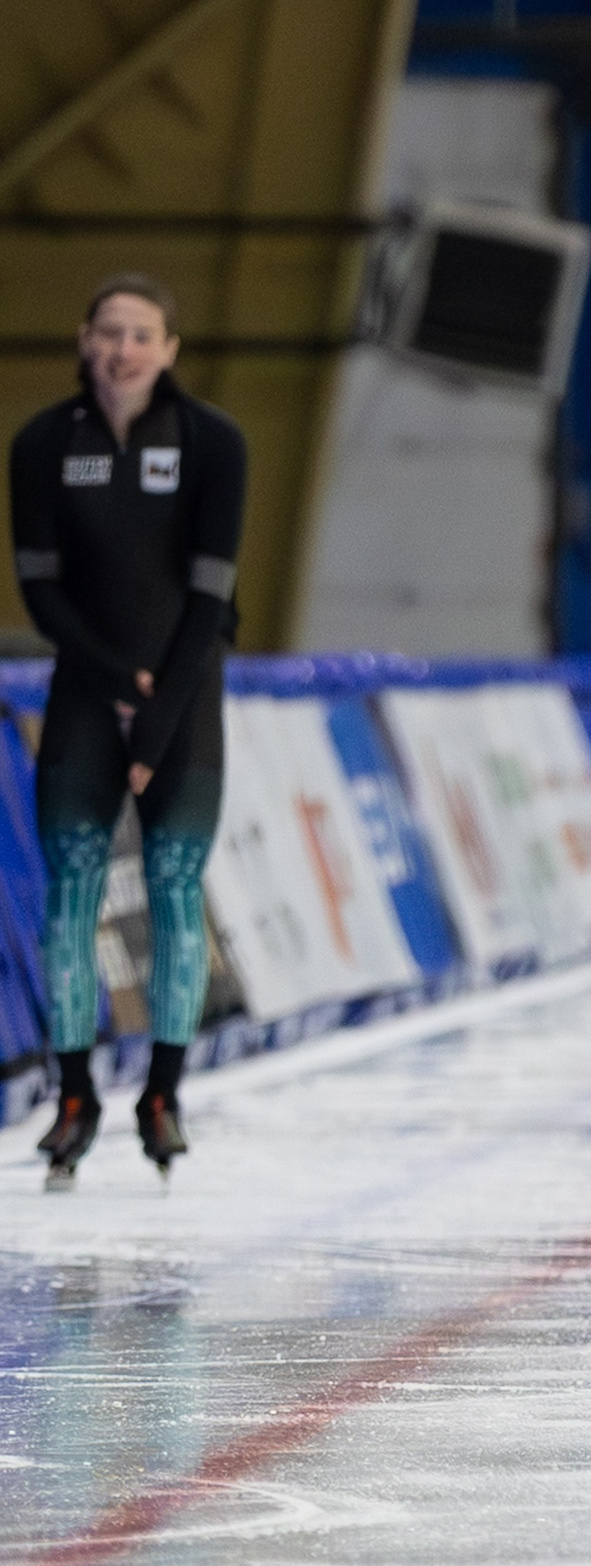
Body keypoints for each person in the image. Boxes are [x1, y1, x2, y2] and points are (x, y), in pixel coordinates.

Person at [8, 275, 242, 1191]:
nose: (124, 349)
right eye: (109, 332)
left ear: (170, 349)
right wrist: (112, 683)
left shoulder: (213, 443)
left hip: (183, 698)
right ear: (84, 340)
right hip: (83, 692)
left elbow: (211, 593)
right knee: (71, 887)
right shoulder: (42, 444)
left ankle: (162, 1094)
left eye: (142, 334)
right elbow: (40, 589)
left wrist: (156, 708)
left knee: (174, 884)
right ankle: (74, 1097)